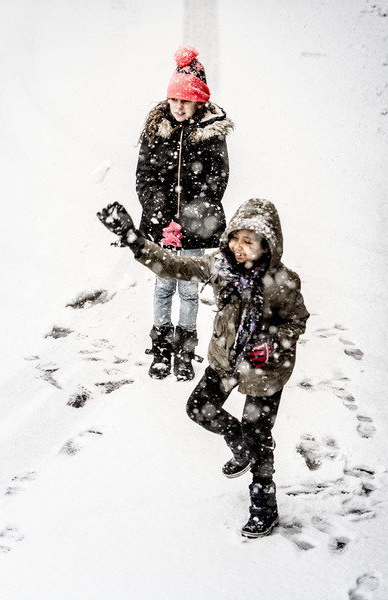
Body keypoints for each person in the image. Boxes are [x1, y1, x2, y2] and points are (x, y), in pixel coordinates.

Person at [97, 197, 309, 538]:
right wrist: (133, 239)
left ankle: (264, 505)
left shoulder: (284, 282)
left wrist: (271, 343)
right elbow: (173, 265)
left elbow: (297, 321)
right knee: (199, 409)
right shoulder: (219, 266)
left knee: (259, 435)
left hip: (264, 371)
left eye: (249, 242)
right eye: (235, 239)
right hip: (225, 358)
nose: (239, 248)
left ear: (267, 245)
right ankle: (237, 441)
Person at [135, 46, 233, 381]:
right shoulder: (156, 128)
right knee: (163, 287)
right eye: (174, 100)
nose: (178, 107)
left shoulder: (209, 135)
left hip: (194, 229)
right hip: (162, 228)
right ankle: (161, 348)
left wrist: (186, 219)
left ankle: (184, 351)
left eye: (185, 101)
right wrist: (163, 218)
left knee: (189, 291)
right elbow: (145, 177)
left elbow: (215, 181)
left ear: (199, 102)